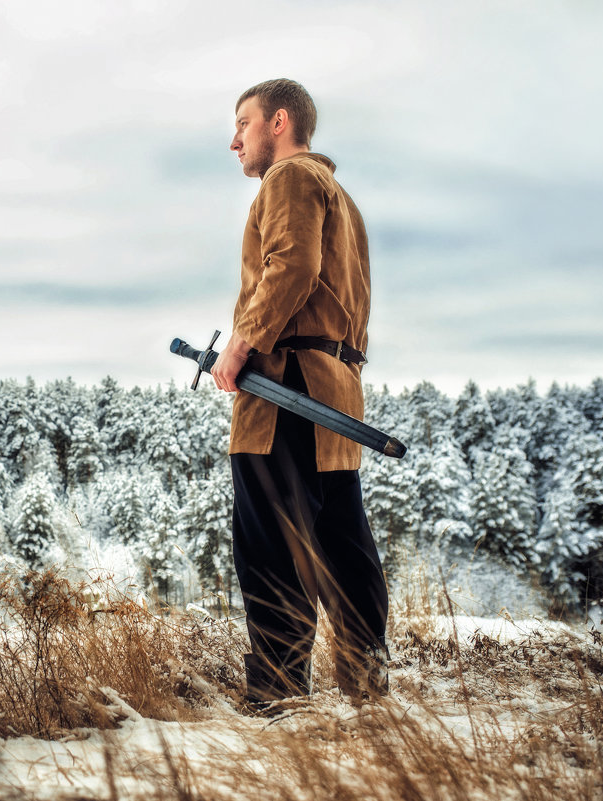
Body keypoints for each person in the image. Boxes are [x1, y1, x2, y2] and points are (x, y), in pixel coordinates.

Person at [210, 79, 389, 707]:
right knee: (342, 545)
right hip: (333, 398)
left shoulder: (288, 181)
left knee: (272, 552)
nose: (234, 141)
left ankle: (278, 700)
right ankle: (367, 685)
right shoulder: (338, 194)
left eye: (244, 124)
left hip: (284, 394)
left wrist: (240, 346)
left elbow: (291, 266)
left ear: (278, 122)